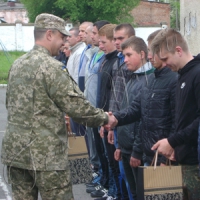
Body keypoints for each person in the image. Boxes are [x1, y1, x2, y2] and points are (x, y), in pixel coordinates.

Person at [1, 13, 111, 200]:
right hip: (47, 157)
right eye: (62, 37)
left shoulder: (18, 64)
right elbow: (78, 109)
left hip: (16, 155)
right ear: (49, 34)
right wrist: (107, 118)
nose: (64, 43)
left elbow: (9, 103)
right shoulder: (51, 67)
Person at [150, 28, 200, 200]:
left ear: (178, 50)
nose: (164, 64)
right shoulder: (181, 76)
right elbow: (182, 118)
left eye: (165, 58)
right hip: (184, 159)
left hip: (195, 162)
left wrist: (172, 141)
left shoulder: (197, 74)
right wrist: (175, 147)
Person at [115, 36, 154, 200]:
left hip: (135, 150)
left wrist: (137, 151)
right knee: (132, 191)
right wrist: (119, 145)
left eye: (129, 55)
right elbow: (126, 110)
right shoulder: (133, 77)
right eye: (124, 56)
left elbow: (143, 119)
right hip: (125, 147)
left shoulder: (148, 79)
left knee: (140, 193)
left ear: (143, 54)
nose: (125, 60)